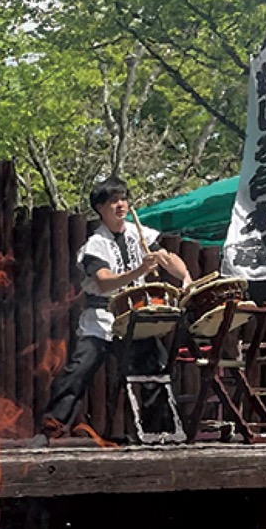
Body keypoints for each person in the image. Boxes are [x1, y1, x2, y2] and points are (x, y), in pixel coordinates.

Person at [42, 177, 190, 438]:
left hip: (136, 316)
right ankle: (51, 427)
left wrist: (182, 274)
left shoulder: (140, 233)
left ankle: (160, 433)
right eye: (113, 201)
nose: (120, 205)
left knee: (156, 369)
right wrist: (140, 270)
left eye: (123, 199)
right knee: (79, 369)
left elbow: (171, 260)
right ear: (100, 208)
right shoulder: (94, 245)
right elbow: (104, 280)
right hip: (102, 319)